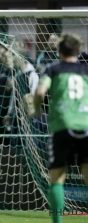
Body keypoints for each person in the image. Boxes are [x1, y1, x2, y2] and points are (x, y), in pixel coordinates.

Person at [33, 33, 88, 223]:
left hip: (62, 126)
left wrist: (37, 108)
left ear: (59, 51)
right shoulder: (85, 70)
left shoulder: (53, 69)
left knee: (57, 178)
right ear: (79, 51)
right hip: (85, 126)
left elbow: (40, 91)